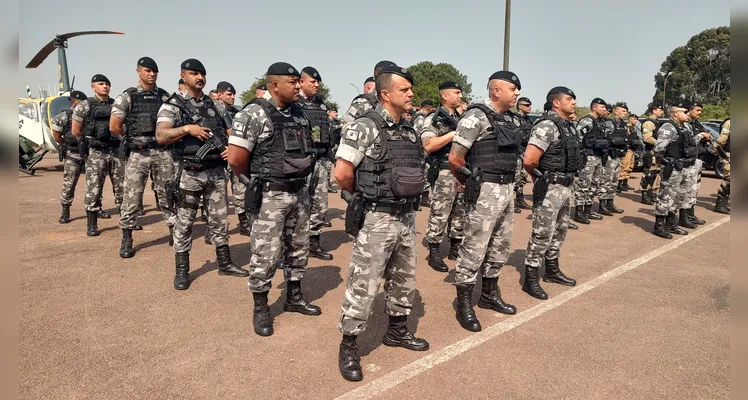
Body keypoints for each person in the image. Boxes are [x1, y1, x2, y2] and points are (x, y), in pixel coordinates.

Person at [335, 65, 429, 382]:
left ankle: (397, 331)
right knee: (365, 283)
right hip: (377, 217)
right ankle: (349, 345)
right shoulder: (365, 127)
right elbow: (342, 173)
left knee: (404, 279)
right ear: (386, 94)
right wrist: (360, 200)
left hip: (406, 217)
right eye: (405, 90)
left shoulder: (411, 130)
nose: (411, 94)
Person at [227, 62, 321, 337]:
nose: (298, 86)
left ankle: (294, 296)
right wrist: (257, 180)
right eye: (292, 82)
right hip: (271, 195)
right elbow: (235, 159)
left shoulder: (300, 113)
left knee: (298, 248)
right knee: (266, 253)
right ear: (274, 85)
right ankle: (261, 307)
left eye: (298, 81)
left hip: (300, 193)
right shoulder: (253, 114)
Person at [155, 58, 248, 290]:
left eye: (202, 74)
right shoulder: (172, 105)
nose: (200, 78)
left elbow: (230, 130)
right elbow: (160, 135)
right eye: (194, 73)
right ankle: (182, 270)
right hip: (189, 172)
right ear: (183, 76)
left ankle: (225, 262)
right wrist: (187, 129)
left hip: (216, 171)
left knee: (219, 220)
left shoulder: (215, 105)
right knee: (185, 222)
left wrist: (229, 148)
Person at [448, 70, 523, 332]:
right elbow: (455, 158)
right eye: (512, 88)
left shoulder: (513, 120)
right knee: (475, 246)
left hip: (507, 188)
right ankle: (464, 303)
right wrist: (470, 183)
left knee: (501, 245)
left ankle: (490, 295)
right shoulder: (475, 117)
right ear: (495, 91)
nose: (516, 93)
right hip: (484, 189)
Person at [521, 87, 582, 300]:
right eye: (569, 99)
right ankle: (530, 278)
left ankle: (552, 270)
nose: (573, 102)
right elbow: (529, 159)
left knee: (560, 231)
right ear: (556, 103)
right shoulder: (547, 126)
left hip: (565, 186)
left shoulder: (568, 126)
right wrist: (538, 177)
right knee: (542, 233)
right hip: (550, 187)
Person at [111, 57, 174, 258]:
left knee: (168, 193)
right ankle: (127, 238)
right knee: (132, 196)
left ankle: (174, 232)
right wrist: (132, 139)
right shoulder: (127, 97)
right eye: (147, 70)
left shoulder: (166, 97)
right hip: (138, 154)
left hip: (162, 153)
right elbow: (114, 126)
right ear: (138, 71)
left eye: (154, 71)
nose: (151, 74)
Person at [71, 74, 125, 236]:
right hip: (96, 152)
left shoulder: (117, 104)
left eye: (107, 84)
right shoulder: (85, 106)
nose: (105, 86)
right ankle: (92, 224)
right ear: (93, 86)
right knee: (94, 188)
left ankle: (126, 221)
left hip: (116, 151)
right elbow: (75, 130)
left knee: (122, 188)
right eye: (101, 84)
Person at [421, 81, 465, 272]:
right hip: (444, 171)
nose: (460, 96)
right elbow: (429, 145)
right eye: (456, 92)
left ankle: (455, 247)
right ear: (445, 96)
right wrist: (454, 134)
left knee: (460, 211)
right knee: (440, 212)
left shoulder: (462, 117)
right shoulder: (435, 118)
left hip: (461, 170)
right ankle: (434, 252)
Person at [650, 102, 708, 238]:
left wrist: (700, 136)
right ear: (675, 113)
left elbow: (691, 143)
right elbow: (658, 149)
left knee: (679, 196)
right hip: (673, 167)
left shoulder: (686, 126)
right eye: (685, 112)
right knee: (666, 196)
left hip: (685, 166)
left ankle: (671, 223)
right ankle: (659, 226)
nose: (687, 114)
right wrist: (666, 163)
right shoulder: (668, 127)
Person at [298, 66, 334, 260]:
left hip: (319, 160)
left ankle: (314, 243)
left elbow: (322, 132)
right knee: (298, 206)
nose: (317, 85)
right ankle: (292, 247)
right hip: (300, 162)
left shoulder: (320, 104)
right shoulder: (294, 104)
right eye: (313, 82)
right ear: (301, 82)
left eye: (318, 82)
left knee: (320, 204)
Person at [52, 90, 87, 224]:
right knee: (69, 183)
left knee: (95, 184)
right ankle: (65, 210)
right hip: (72, 154)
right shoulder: (64, 116)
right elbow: (57, 136)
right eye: (76, 102)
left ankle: (97, 208)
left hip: (89, 154)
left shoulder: (89, 115)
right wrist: (69, 142)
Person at [573, 98, 608, 223]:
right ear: (594, 107)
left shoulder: (599, 122)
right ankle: (579, 212)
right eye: (602, 107)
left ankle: (588, 210)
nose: (604, 109)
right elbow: (577, 138)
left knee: (594, 184)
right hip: (588, 157)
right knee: (584, 184)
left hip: (598, 157)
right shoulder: (587, 121)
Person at [681, 101, 710, 227]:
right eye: (697, 110)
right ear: (689, 110)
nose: (700, 113)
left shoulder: (696, 123)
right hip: (690, 160)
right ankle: (683, 217)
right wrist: (701, 135)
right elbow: (689, 141)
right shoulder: (686, 124)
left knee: (694, 190)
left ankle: (690, 215)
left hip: (698, 159)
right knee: (687, 189)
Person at [600, 102, 628, 213]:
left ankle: (610, 203)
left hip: (618, 156)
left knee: (614, 181)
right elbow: (604, 139)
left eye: (626, 111)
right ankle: (602, 205)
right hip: (610, 156)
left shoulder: (622, 124)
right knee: (606, 180)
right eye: (623, 111)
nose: (625, 113)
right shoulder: (609, 123)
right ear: (616, 111)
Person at [640, 104, 665, 205]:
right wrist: (661, 144)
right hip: (650, 152)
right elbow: (647, 138)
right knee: (649, 174)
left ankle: (651, 193)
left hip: (657, 152)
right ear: (654, 111)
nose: (662, 112)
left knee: (655, 174)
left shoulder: (656, 122)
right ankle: (645, 195)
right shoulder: (648, 123)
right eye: (660, 110)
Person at [514, 96, 533, 211]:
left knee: (522, 177)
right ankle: (512, 203)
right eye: (527, 105)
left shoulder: (528, 119)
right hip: (517, 152)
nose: (529, 107)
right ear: (520, 106)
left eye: (530, 105)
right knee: (515, 178)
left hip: (525, 152)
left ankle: (520, 201)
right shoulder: (515, 118)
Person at [617, 113, 640, 192]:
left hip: (632, 149)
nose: (636, 121)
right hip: (627, 149)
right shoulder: (626, 127)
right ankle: (619, 184)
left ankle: (625, 183)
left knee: (630, 167)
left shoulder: (633, 128)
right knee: (624, 166)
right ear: (630, 119)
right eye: (635, 119)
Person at [713, 117, 730, 214]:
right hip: (729, 154)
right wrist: (717, 148)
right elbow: (722, 140)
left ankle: (723, 204)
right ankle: (719, 204)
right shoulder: (729, 123)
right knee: (729, 179)